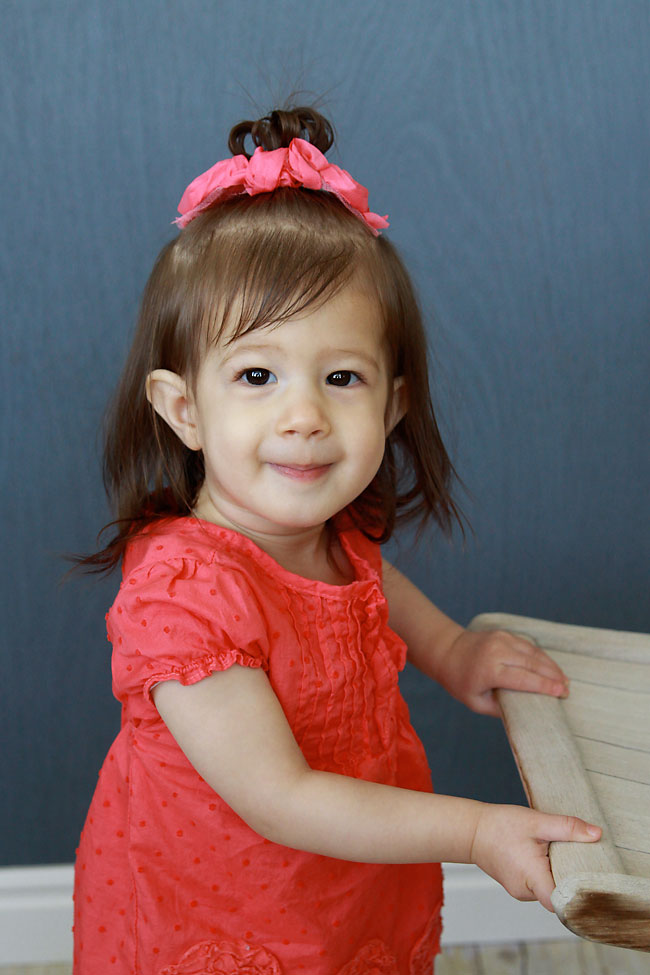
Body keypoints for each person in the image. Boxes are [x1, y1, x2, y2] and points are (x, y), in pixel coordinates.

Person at [73, 106, 601, 975]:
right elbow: (280, 799)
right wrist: (475, 829)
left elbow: (368, 585)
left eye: (342, 376)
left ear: (391, 405)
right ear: (184, 410)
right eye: (256, 375)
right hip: (223, 908)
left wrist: (453, 651)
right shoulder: (183, 595)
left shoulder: (330, 528)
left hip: (342, 883)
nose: (305, 416)